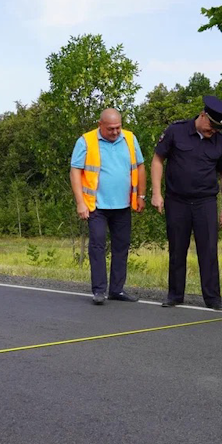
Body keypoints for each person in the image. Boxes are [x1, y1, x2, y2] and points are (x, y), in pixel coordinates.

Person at [150, 95, 222, 310]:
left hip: (205, 201)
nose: (213, 131)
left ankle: (213, 299)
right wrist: (156, 193)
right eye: (211, 127)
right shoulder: (176, 131)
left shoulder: (220, 142)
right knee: (177, 248)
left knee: (208, 250)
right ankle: (175, 295)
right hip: (176, 200)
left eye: (218, 129)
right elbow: (158, 160)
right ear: (203, 115)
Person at [69, 108, 147, 305]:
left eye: (118, 127)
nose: (115, 132)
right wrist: (80, 203)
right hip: (96, 205)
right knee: (97, 246)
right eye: (111, 128)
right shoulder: (86, 141)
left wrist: (141, 196)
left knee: (121, 247)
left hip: (123, 205)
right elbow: (75, 171)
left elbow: (140, 166)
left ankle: (117, 290)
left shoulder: (129, 138)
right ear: (100, 125)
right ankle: (99, 290)